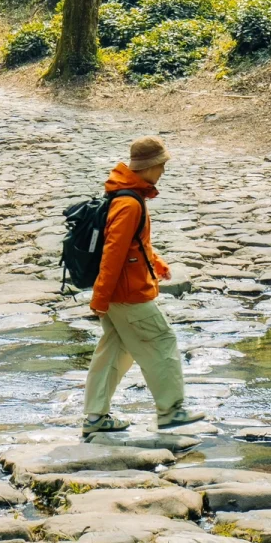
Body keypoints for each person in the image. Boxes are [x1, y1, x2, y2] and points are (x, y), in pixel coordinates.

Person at [82, 135, 205, 437]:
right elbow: (113, 252)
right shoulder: (129, 203)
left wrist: (157, 263)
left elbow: (134, 244)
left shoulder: (126, 196)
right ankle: (171, 410)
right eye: (161, 165)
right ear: (148, 167)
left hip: (120, 292)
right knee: (161, 340)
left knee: (115, 349)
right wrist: (100, 297)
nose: (163, 170)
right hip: (128, 293)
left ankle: (96, 418)